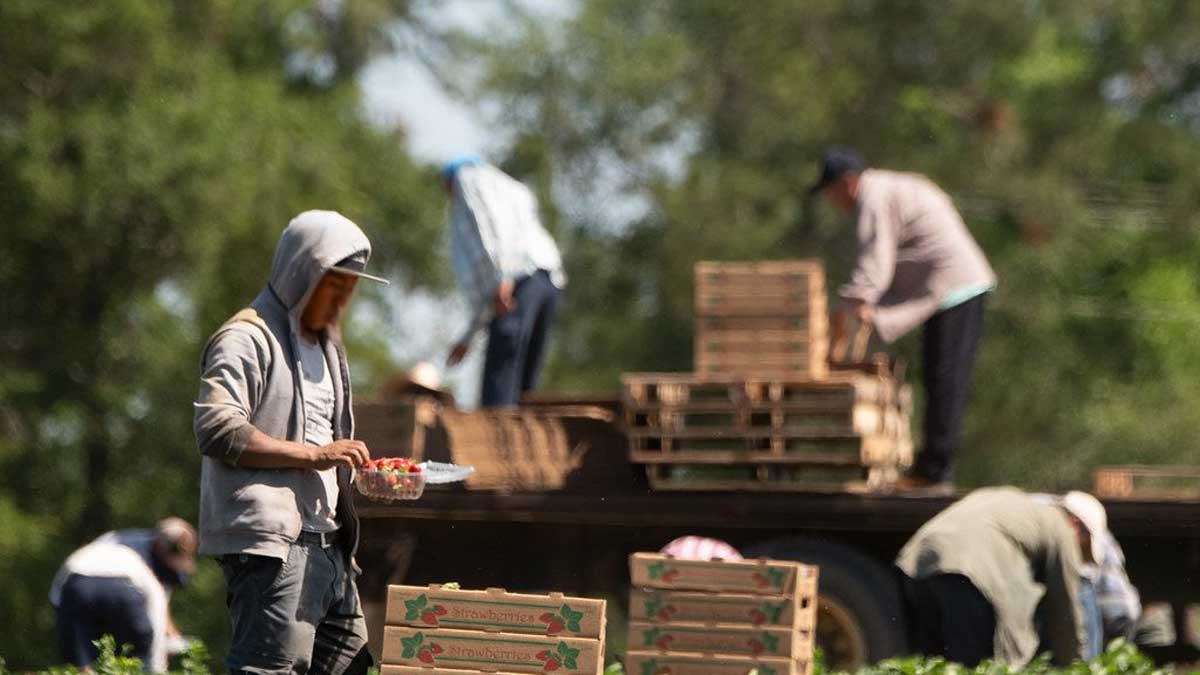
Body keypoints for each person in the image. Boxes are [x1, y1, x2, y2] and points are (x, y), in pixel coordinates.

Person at [194, 210, 388, 675]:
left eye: (351, 289)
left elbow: (326, 441)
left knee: (352, 666)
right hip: (274, 546)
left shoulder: (328, 347)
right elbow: (217, 428)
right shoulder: (246, 338)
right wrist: (315, 456)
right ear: (302, 272)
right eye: (334, 284)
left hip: (330, 544)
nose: (343, 299)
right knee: (272, 668)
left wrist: (356, 468)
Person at [811, 147, 996, 490]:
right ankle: (933, 466)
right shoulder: (890, 187)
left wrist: (850, 302)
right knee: (938, 375)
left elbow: (875, 264)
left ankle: (935, 470)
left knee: (946, 379)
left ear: (847, 182)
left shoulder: (874, 197)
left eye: (830, 192)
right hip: (949, 287)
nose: (831, 201)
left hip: (956, 285)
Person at [894, 487, 1103, 667]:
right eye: (1083, 547)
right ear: (1076, 525)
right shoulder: (1061, 528)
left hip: (917, 562)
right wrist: (1074, 665)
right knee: (975, 665)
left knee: (935, 661)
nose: (1078, 554)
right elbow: (1065, 610)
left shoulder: (1011, 500)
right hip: (969, 572)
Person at [442, 155, 566, 407]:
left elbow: (491, 225)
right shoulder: (513, 189)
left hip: (517, 279)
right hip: (547, 280)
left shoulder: (469, 179)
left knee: (501, 367)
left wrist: (504, 276)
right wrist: (469, 337)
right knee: (524, 378)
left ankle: (496, 438)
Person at [50, 517, 198, 672]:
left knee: (81, 665)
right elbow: (156, 616)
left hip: (74, 586)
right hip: (122, 591)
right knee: (141, 660)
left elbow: (60, 593)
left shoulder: (115, 544)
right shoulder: (144, 569)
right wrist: (159, 662)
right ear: (158, 546)